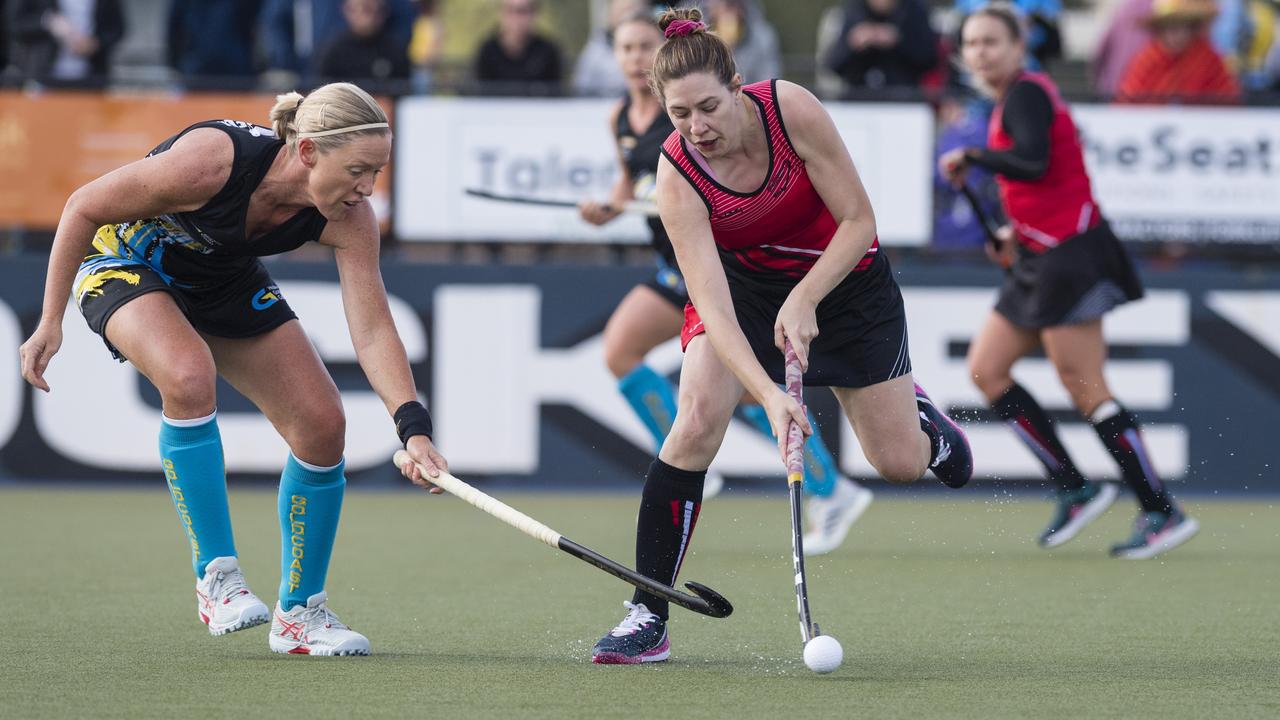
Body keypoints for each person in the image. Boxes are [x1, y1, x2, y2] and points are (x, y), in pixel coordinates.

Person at [589, 7, 973, 665]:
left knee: (899, 464)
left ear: (737, 84)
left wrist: (804, 298)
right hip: (744, 292)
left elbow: (858, 221)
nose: (697, 127)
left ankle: (922, 420)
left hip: (846, 283)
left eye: (709, 107)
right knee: (695, 421)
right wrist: (767, 395)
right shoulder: (677, 174)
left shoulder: (789, 110)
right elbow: (710, 304)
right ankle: (646, 613)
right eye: (680, 115)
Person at [18, 82, 448, 657]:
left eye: (377, 172)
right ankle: (216, 577)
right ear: (308, 151)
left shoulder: (350, 218)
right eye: (358, 170)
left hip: (220, 279)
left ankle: (300, 615)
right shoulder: (213, 162)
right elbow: (83, 206)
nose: (367, 189)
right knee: (189, 374)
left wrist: (412, 427)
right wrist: (51, 321)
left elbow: (371, 330)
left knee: (322, 424)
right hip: (121, 258)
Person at [579, 8, 874, 553]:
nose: (634, 57)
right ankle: (718, 463)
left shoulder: (761, 115)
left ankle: (824, 485)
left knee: (664, 367)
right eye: (625, 49)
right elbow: (630, 189)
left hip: (724, 267)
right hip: (681, 264)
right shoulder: (624, 119)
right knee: (683, 383)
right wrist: (609, 208)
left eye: (644, 46)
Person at [939, 4, 1199, 558]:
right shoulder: (1011, 99)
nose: (979, 52)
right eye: (971, 43)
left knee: (1083, 385)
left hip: (1069, 256)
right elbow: (1044, 179)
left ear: (1018, 46)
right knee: (988, 370)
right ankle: (1074, 488)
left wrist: (974, 156)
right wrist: (1013, 229)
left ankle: (1160, 509)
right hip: (1039, 254)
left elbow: (1032, 162)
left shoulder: (1028, 92)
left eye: (990, 41)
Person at [1115, 0, 1241, 103]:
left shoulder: (1208, 58)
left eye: (1182, 27)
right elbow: (1127, 102)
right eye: (1170, 28)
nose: (1177, 35)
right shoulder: (1147, 60)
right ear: (1160, 30)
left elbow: (1227, 100)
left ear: (1191, 28)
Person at [825, 0, 939, 93]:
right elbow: (833, 65)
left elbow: (929, 59)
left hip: (904, 101)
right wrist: (853, 43)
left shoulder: (914, 11)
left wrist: (898, 41)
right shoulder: (854, 12)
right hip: (858, 101)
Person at [5, 0, 124, 84]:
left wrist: (95, 43)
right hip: (41, 77)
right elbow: (15, 24)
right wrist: (47, 22)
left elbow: (117, 28)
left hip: (91, 78)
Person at [473, 0, 563, 96]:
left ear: (534, 14)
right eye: (510, 10)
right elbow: (481, 94)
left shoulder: (548, 52)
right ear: (501, 13)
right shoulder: (488, 51)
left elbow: (555, 96)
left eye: (522, 11)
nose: (516, 18)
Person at [313, 0, 412, 87]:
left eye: (368, 10)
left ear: (382, 11)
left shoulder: (395, 50)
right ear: (347, 10)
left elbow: (404, 89)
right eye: (358, 9)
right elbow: (321, 91)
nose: (365, 17)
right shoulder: (332, 50)